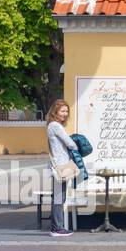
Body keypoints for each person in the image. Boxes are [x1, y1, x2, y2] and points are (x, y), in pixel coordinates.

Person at [44, 100, 75, 237]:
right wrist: (76, 144)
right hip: (60, 165)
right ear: (55, 112)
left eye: (66, 111)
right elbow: (70, 144)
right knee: (58, 197)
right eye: (62, 111)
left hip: (58, 164)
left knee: (59, 197)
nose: (65, 114)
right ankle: (57, 228)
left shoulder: (52, 125)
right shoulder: (55, 126)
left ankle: (57, 227)